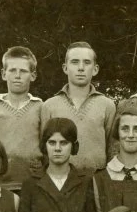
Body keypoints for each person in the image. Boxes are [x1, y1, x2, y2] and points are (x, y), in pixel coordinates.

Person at [14, 118, 97, 212]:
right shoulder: (31, 184)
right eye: (52, 143)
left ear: (73, 146)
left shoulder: (85, 182)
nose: (57, 148)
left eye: (64, 143)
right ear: (44, 146)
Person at [40, 41, 116, 171]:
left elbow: (113, 148)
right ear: (65, 68)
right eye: (75, 62)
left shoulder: (107, 105)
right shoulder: (50, 106)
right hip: (61, 181)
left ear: (95, 69)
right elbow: (44, 150)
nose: (81, 68)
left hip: (96, 181)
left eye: (87, 62)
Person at [0, 46, 44, 189]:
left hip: (34, 183)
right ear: (4, 74)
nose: (17, 75)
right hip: (1, 184)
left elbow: (46, 144)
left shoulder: (41, 107)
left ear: (33, 75)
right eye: (12, 70)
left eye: (23, 71)